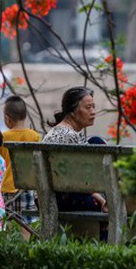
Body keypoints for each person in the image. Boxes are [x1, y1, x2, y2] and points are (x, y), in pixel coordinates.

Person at [42, 86, 108, 215]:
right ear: (73, 111)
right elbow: (81, 181)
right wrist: (102, 200)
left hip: (51, 195)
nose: (93, 111)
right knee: (96, 143)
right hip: (59, 199)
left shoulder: (59, 131)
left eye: (93, 107)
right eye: (88, 107)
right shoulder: (69, 136)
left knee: (94, 142)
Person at [0, 95, 41, 238]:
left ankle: (9, 248)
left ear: (7, 118)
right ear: (25, 115)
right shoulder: (34, 136)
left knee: (7, 223)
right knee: (25, 224)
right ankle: (25, 247)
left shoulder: (2, 138)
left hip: (6, 188)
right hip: (26, 189)